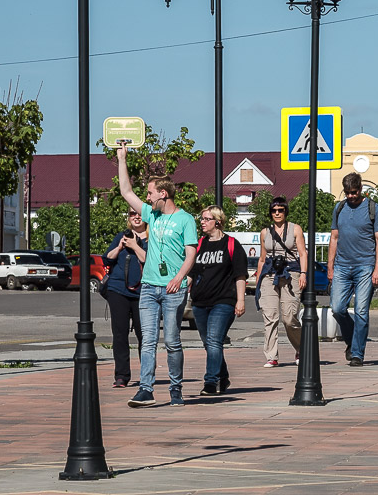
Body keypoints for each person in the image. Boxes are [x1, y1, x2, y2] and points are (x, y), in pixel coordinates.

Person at [118, 155, 198, 408]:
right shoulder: (152, 215)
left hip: (174, 288)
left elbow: (191, 253)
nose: (148, 197)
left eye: (151, 193)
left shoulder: (185, 219)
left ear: (163, 193)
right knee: (148, 340)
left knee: (172, 342)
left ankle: (176, 388)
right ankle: (146, 389)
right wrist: (122, 159)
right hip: (149, 287)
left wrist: (179, 277)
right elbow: (125, 191)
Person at [327, 172, 378, 367]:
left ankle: (357, 353)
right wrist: (330, 266)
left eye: (354, 192)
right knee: (337, 308)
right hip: (342, 267)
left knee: (361, 311)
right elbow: (334, 238)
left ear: (360, 189)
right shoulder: (339, 208)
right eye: (347, 193)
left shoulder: (373, 209)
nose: (351, 196)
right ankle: (353, 339)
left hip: (365, 266)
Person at [191, 206, 248, 394]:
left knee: (215, 340)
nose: (203, 222)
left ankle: (210, 381)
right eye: (202, 219)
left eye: (207, 219)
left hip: (223, 301)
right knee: (209, 343)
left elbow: (240, 275)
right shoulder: (199, 244)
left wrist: (241, 301)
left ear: (218, 221)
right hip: (200, 302)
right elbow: (191, 272)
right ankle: (223, 377)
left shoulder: (232, 244)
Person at [254, 196, 306, 368]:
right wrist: (258, 281)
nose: (277, 213)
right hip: (269, 274)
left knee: (289, 317)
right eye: (274, 210)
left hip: (291, 273)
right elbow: (262, 258)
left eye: (280, 210)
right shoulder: (265, 232)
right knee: (270, 316)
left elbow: (303, 253)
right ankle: (271, 356)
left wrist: (304, 273)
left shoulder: (295, 229)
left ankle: (301, 349)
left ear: (285, 211)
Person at [101, 209, 149, 387]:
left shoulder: (151, 238)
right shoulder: (122, 236)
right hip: (118, 290)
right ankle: (121, 375)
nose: (136, 217)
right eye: (131, 214)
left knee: (144, 335)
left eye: (139, 214)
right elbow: (107, 259)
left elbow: (149, 260)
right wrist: (120, 246)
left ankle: (146, 374)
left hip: (143, 292)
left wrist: (135, 246)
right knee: (119, 334)